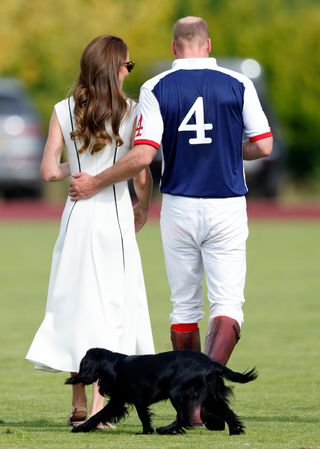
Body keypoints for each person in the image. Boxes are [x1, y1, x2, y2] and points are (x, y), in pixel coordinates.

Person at [69, 18, 272, 367]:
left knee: (184, 306)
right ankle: (208, 386)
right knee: (227, 304)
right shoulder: (239, 83)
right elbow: (264, 145)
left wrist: (95, 181)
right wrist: (226, 148)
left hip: (179, 204)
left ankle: (191, 401)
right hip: (227, 203)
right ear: (208, 44)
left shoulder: (156, 86)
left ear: (174, 48)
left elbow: (144, 154)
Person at [26, 35, 155, 428]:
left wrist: (74, 168)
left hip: (76, 216)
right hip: (113, 216)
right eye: (127, 65)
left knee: (74, 304)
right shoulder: (132, 111)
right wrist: (144, 207)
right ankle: (101, 405)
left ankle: (79, 401)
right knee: (112, 308)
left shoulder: (63, 110)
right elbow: (141, 169)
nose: (128, 72)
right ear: (115, 68)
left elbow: (48, 171)